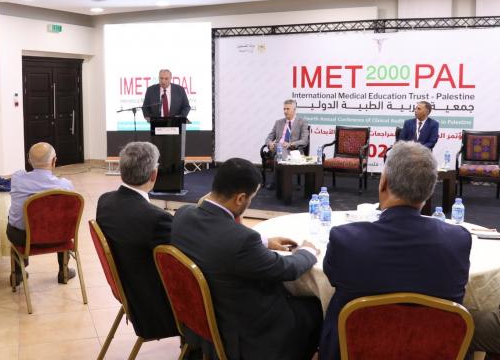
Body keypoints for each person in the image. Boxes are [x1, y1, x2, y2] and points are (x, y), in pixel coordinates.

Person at [320, 141, 471, 360]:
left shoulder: (345, 241)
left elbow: (331, 276)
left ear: (383, 183)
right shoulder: (458, 241)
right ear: (429, 190)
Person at [171, 158, 323, 360]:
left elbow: (219, 238)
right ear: (240, 198)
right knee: (319, 308)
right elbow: (287, 269)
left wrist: (265, 241)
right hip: (245, 334)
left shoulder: (183, 215)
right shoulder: (241, 241)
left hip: (202, 323)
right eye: (251, 197)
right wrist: (307, 251)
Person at [96, 142, 178, 340]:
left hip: (128, 293)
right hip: (155, 310)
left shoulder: (105, 201)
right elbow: (182, 262)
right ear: (154, 175)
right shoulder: (156, 219)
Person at [7, 142, 76, 284]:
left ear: (29, 160)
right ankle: (63, 270)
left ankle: (18, 273)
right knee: (60, 222)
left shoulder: (17, 179)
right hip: (58, 237)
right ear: (54, 161)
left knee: (15, 222)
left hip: (23, 238)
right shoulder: (65, 185)